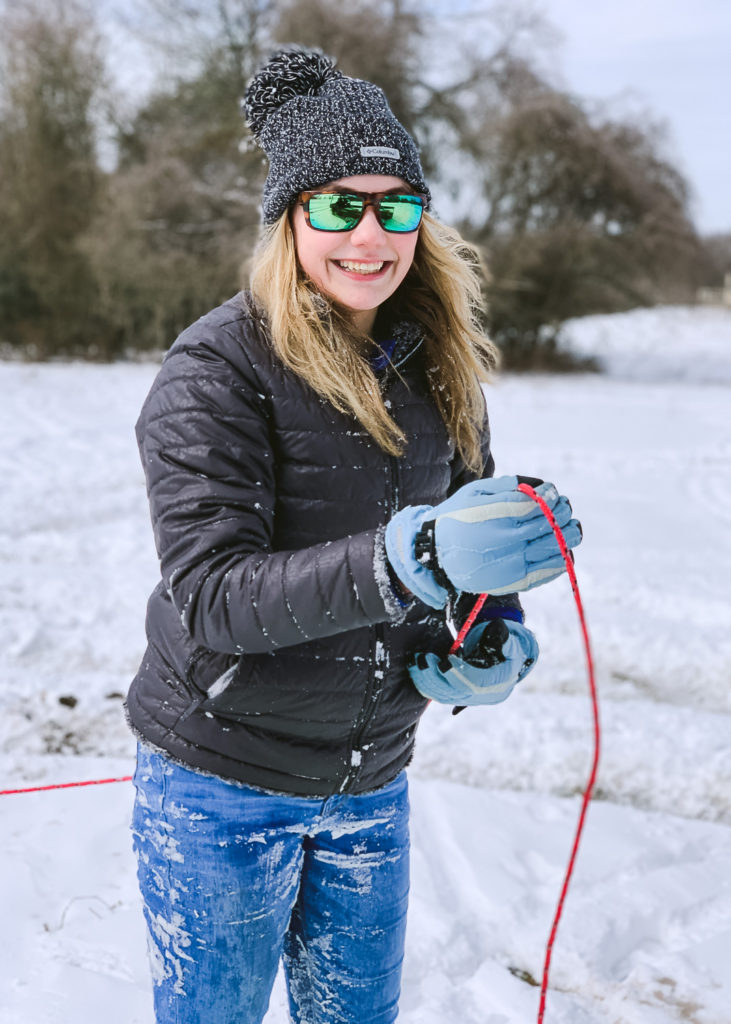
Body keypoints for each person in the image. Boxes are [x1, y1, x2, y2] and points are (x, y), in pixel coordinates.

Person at [126, 47, 582, 1024]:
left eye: (395, 206)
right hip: (222, 785)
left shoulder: (437, 365)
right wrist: (406, 558)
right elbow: (212, 595)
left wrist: (487, 626)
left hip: (370, 783)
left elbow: (462, 535)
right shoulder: (215, 372)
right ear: (288, 218)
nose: (368, 235)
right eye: (338, 206)